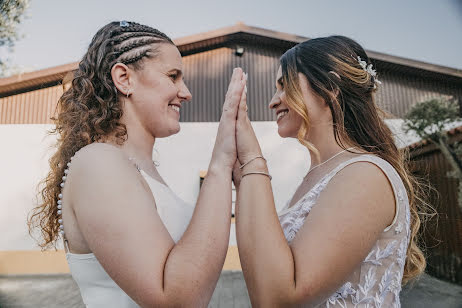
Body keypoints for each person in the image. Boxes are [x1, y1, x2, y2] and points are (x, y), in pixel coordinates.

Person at [28, 21, 246, 307]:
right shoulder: (99, 163)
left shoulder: (131, 167)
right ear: (124, 78)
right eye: (173, 76)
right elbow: (176, 300)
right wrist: (220, 164)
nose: (186, 92)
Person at [233, 36, 427, 307]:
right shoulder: (321, 175)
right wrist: (245, 181)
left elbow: (280, 298)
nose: (273, 101)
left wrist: (254, 160)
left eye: (284, 86)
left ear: (329, 87)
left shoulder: (364, 175)